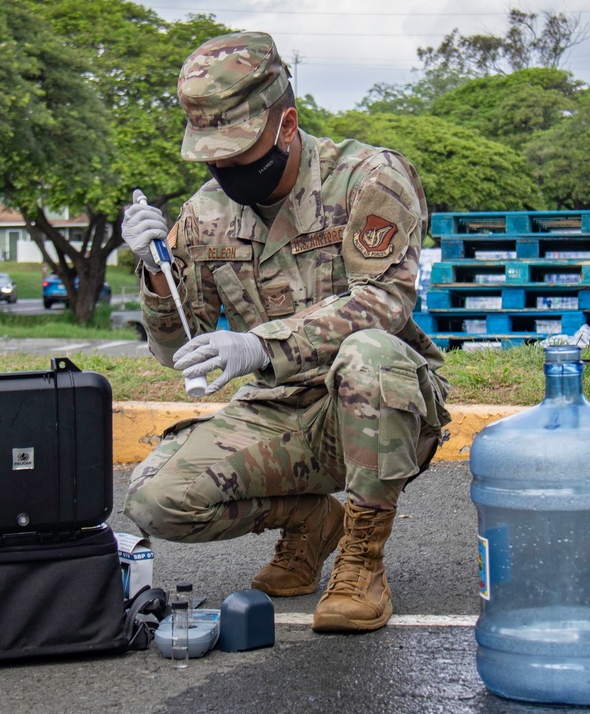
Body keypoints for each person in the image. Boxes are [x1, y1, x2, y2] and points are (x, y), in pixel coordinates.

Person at [120, 30, 451, 633]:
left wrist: (258, 345)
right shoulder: (203, 215)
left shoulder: (368, 178)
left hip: (376, 404)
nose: (223, 167)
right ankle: (309, 521)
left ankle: (362, 559)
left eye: (237, 149)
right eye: (210, 154)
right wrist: (151, 269)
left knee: (368, 353)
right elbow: (178, 351)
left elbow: (385, 302)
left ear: (287, 124)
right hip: (277, 413)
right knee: (153, 500)